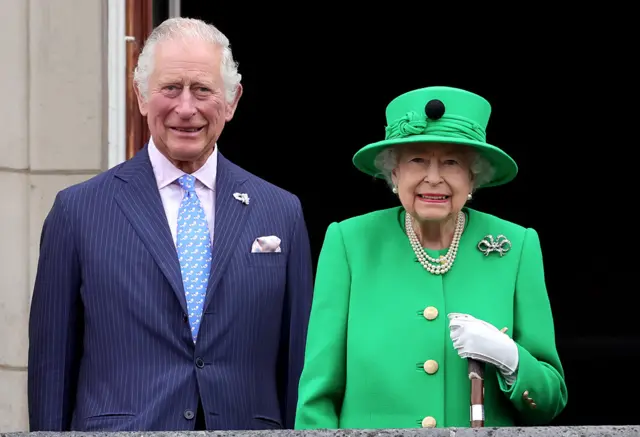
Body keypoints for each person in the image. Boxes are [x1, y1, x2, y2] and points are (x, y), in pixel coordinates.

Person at [27, 17, 314, 432]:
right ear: (141, 96)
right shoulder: (78, 211)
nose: (185, 108)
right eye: (170, 88)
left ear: (232, 101)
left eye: (202, 90)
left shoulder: (281, 212)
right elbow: (51, 365)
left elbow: (297, 364)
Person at [294, 86, 568, 429]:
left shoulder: (518, 246)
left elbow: (549, 401)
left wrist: (512, 361)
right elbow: (317, 398)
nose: (434, 177)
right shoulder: (349, 243)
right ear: (394, 174)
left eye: (451, 162)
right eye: (417, 160)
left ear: (474, 177)